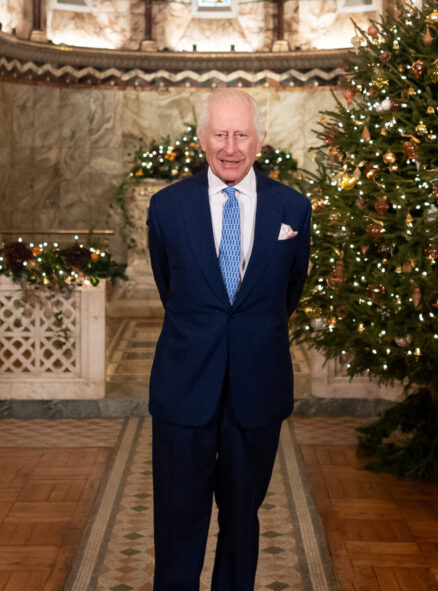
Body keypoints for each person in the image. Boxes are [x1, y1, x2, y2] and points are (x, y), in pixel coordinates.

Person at [146, 88, 312, 590]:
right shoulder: (167, 207)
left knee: (242, 519)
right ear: (202, 139)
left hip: (256, 389)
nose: (231, 146)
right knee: (178, 520)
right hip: (184, 387)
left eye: (242, 134)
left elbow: (290, 291)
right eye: (220, 134)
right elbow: (168, 286)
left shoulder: (294, 208)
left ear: (260, 140)